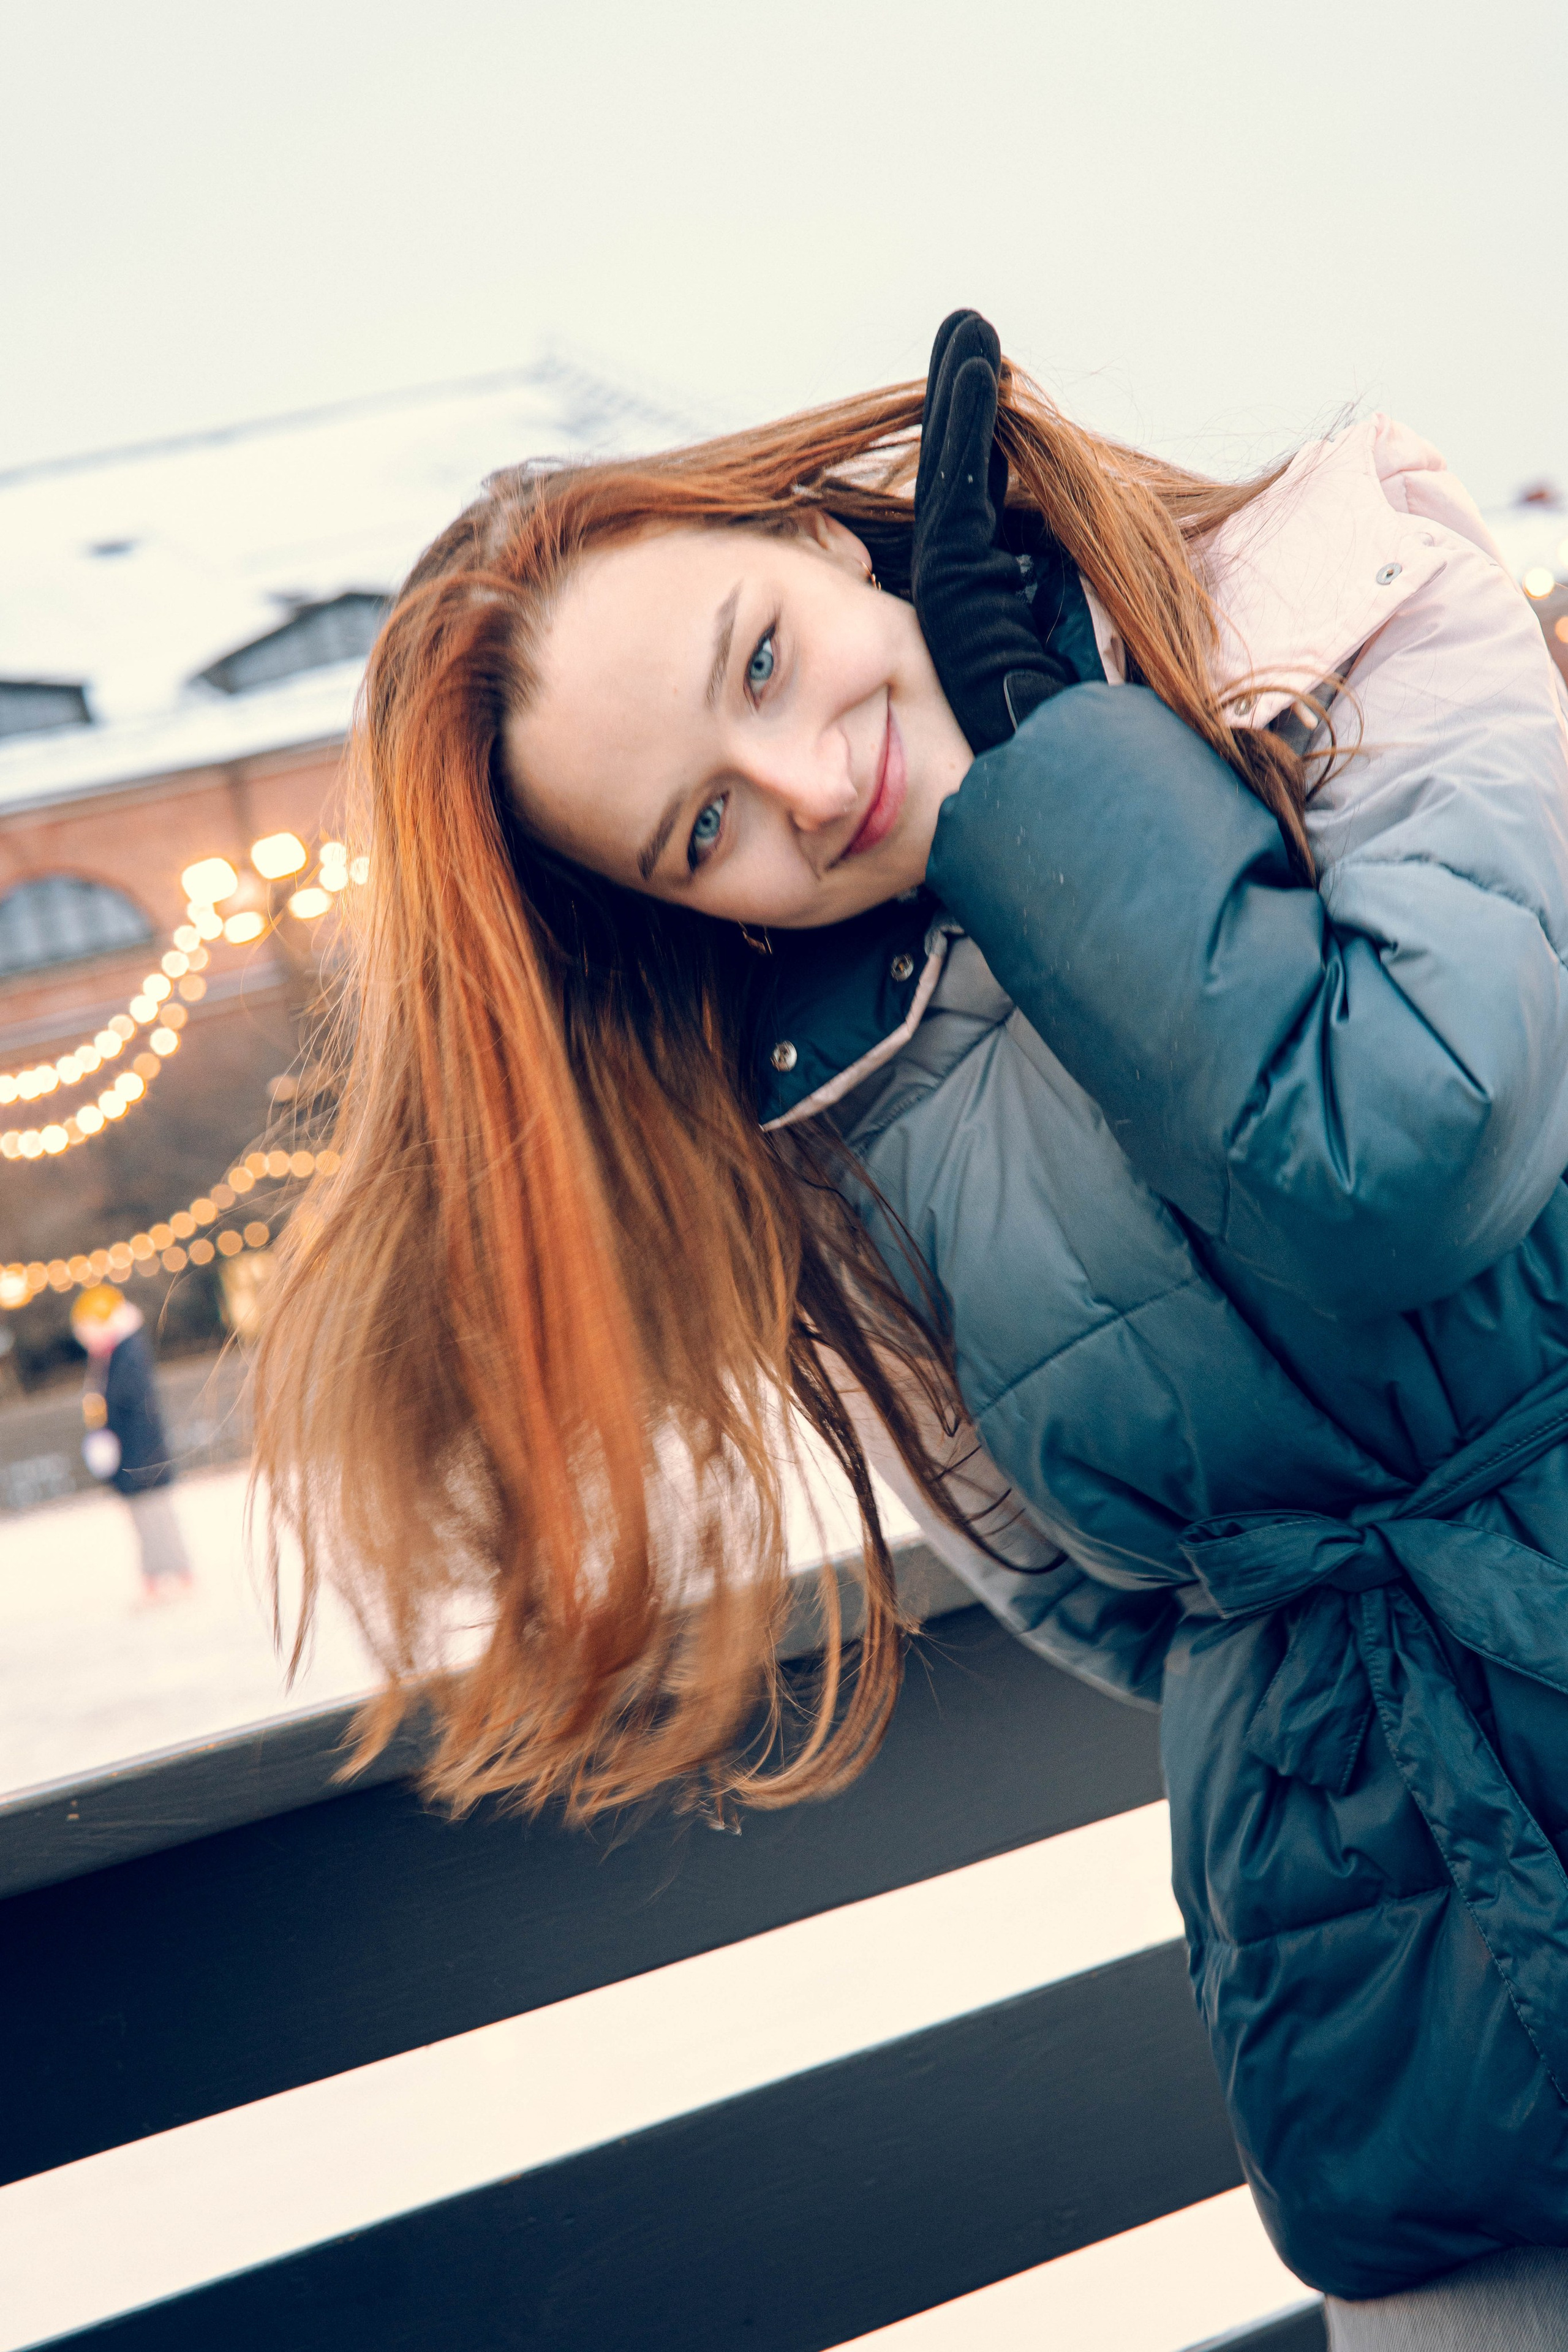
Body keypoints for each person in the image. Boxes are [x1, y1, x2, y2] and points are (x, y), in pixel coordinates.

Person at [254, 312, 1568, 2344]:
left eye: (760, 659)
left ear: (829, 538)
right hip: (1399, 1981)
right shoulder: (834, 1106)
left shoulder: (1342, 606)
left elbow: (1407, 1146)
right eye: (703, 829)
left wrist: (1040, 769)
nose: (803, 780)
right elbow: (1105, 1582)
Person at [74, 1284, 192, 1602]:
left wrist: (131, 1459)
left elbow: (135, 1411)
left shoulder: (128, 1353)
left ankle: (179, 1574)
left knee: (157, 1517)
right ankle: (155, 1576)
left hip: (142, 1457)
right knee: (144, 1520)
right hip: (130, 1458)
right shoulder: (110, 1356)